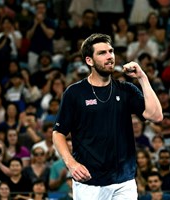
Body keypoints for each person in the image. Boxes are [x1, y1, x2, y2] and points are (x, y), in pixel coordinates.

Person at [52, 33, 163, 200]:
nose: (110, 56)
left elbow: (156, 116)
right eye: (102, 53)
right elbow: (58, 133)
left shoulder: (126, 90)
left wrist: (142, 77)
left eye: (111, 51)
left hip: (124, 182)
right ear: (89, 60)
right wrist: (71, 164)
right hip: (88, 182)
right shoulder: (74, 93)